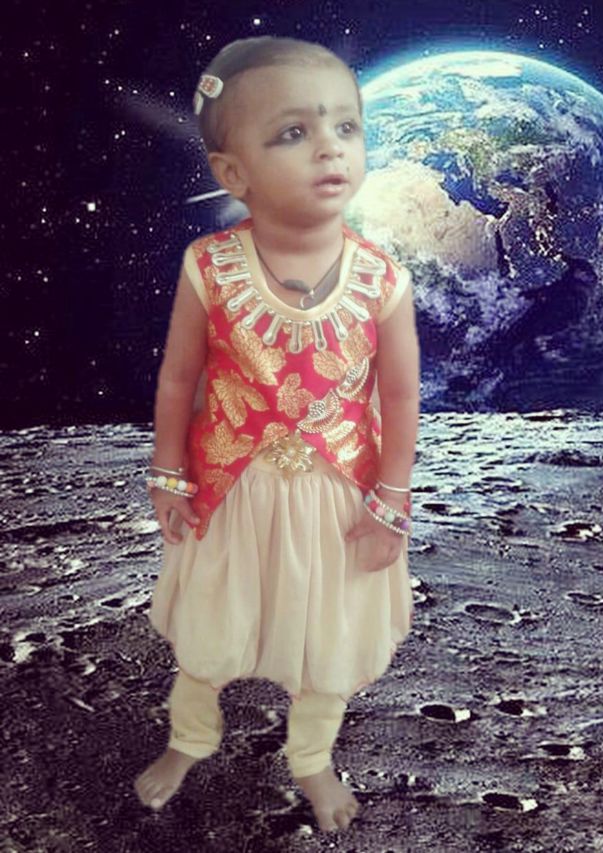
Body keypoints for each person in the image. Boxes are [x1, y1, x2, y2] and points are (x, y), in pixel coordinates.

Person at [134, 35, 421, 834]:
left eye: (346, 126)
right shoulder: (209, 266)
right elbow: (178, 379)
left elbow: (399, 395)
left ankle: (311, 757)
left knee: (328, 639)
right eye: (294, 132)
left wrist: (391, 501)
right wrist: (168, 473)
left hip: (340, 501)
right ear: (234, 174)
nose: (330, 146)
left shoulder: (383, 278)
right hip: (232, 493)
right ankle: (191, 736)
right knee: (211, 631)